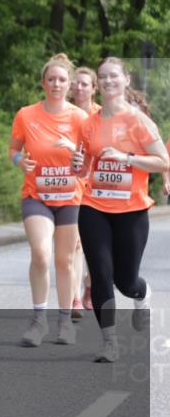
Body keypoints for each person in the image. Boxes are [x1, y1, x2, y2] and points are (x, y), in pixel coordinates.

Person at [72, 57, 168, 362]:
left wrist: (126, 158)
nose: (108, 81)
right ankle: (109, 343)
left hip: (131, 209)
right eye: (103, 77)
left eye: (114, 76)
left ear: (126, 80)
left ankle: (142, 295)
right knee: (100, 275)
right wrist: (78, 166)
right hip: (94, 205)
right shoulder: (90, 122)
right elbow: (85, 167)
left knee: (126, 281)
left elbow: (163, 161)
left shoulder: (139, 121)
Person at [9, 54, 87, 347]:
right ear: (43, 83)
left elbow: (88, 160)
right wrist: (20, 161)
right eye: (51, 79)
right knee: (41, 254)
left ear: (70, 86)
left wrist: (80, 159)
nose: (56, 84)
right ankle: (39, 320)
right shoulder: (26, 115)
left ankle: (65, 323)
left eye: (62, 80)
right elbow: (14, 149)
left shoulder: (80, 118)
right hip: (37, 195)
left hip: (71, 197)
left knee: (65, 261)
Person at [70, 67, 100, 315]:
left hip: (96, 186)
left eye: (84, 84)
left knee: (93, 243)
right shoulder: (64, 113)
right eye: (76, 84)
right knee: (76, 242)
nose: (79, 88)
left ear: (93, 88)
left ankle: (89, 286)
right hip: (70, 184)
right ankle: (74, 297)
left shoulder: (101, 115)